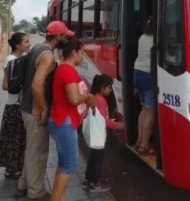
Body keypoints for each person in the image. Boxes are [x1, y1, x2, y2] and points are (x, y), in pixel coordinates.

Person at [17, 21, 73, 200]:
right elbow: (36, 84)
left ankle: (24, 184)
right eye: (64, 35)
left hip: (26, 107)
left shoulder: (37, 47)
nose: (66, 38)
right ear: (57, 37)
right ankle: (36, 192)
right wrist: (44, 107)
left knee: (31, 149)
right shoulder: (48, 56)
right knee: (38, 153)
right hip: (34, 110)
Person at [48, 38, 96, 201]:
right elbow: (74, 99)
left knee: (63, 165)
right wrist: (89, 96)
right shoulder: (68, 70)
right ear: (74, 53)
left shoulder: (64, 69)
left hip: (61, 120)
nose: (83, 57)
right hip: (65, 122)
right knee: (69, 166)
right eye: (82, 53)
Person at [0, 32, 30, 178]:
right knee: (13, 139)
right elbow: (6, 85)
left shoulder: (18, 59)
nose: (29, 44)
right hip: (14, 106)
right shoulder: (11, 60)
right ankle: (12, 169)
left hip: (18, 105)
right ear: (18, 45)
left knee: (17, 138)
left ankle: (14, 167)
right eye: (26, 42)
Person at [83, 74, 124, 192]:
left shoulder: (95, 97)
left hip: (94, 133)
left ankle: (88, 179)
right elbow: (103, 120)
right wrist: (117, 125)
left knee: (93, 157)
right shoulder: (101, 101)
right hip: (98, 135)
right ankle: (95, 183)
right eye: (109, 88)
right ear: (102, 87)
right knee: (98, 159)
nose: (110, 90)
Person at [133, 17, 155, 155]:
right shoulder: (156, 38)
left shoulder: (142, 37)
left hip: (137, 73)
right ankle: (145, 145)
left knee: (144, 109)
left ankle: (139, 140)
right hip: (148, 74)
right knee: (151, 112)